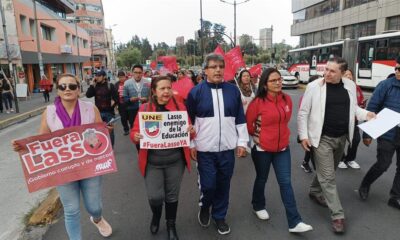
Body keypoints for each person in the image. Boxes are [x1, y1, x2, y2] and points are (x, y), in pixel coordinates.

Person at [13, 73, 112, 240]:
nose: (67, 89)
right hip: (64, 169)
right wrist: (22, 146)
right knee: (71, 210)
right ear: (57, 90)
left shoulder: (90, 108)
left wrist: (104, 132)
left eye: (72, 86)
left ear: (78, 89)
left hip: (89, 165)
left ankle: (97, 218)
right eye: (63, 86)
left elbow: (98, 139)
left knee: (94, 206)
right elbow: (41, 141)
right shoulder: (49, 112)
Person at [297, 58, 375, 233]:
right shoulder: (314, 86)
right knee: (329, 177)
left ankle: (315, 190)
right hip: (321, 138)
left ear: (342, 73)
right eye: (326, 69)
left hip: (341, 138)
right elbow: (303, 112)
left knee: (327, 172)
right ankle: (337, 215)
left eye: (332, 71)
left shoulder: (349, 86)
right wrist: (303, 136)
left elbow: (353, 109)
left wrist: (367, 114)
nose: (327, 74)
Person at [186, 53, 249, 235]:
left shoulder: (232, 91)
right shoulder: (195, 92)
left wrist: (242, 142)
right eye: (213, 67)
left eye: (221, 66)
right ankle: (205, 206)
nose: (218, 70)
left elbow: (240, 118)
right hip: (205, 150)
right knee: (208, 185)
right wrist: (192, 144)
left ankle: (220, 216)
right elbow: (188, 122)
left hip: (228, 149)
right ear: (205, 70)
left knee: (223, 184)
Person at [246, 68, 313, 233]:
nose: (278, 83)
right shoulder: (257, 103)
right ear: (265, 85)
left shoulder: (287, 99)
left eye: (279, 80)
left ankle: (294, 222)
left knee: (285, 183)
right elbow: (249, 124)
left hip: (282, 148)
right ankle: (258, 205)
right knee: (262, 178)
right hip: (262, 149)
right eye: (273, 81)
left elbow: (285, 120)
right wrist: (260, 138)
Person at [131, 76, 194, 240]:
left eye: (168, 88)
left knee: (172, 196)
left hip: (175, 161)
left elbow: (190, 132)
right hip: (153, 163)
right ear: (154, 91)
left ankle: (171, 224)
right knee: (155, 196)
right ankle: (156, 215)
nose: (166, 92)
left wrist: (191, 130)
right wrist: (135, 136)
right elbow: (134, 132)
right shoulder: (145, 109)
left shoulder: (180, 107)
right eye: (162, 88)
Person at [358, 57, 400, 210]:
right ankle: (365, 184)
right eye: (396, 68)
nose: (397, 71)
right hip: (387, 132)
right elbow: (372, 108)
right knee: (383, 164)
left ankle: (395, 197)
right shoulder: (386, 85)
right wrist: (367, 134)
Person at [338, 69, 365, 169]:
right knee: (340, 141)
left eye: (350, 75)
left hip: (354, 119)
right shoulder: (339, 87)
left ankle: (350, 159)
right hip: (341, 120)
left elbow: (360, 100)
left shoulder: (356, 88)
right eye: (346, 75)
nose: (349, 77)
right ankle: (340, 159)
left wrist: (362, 105)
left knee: (356, 140)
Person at [86, 70, 118, 146]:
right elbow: (88, 95)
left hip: (109, 113)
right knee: (98, 132)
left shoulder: (110, 86)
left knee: (110, 132)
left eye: (99, 76)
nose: (97, 77)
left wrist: (112, 107)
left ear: (104, 77)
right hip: (98, 113)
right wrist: (91, 84)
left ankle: (111, 148)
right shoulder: (95, 86)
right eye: (96, 75)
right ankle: (102, 148)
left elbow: (116, 98)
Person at [299, 75, 321, 173]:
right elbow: (303, 114)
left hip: (319, 128)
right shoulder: (306, 97)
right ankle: (308, 164)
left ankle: (305, 162)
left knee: (312, 147)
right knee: (311, 147)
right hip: (310, 128)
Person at [123, 64, 150, 133]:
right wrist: (130, 99)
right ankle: (137, 143)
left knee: (147, 129)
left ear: (142, 73)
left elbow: (152, 96)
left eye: (139, 73)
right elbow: (124, 98)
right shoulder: (126, 83)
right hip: (132, 111)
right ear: (132, 73)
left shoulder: (148, 82)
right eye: (135, 72)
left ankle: (146, 142)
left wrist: (147, 99)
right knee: (135, 129)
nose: (138, 74)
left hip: (146, 110)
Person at [114, 70, 130, 135]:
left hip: (129, 103)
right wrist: (115, 105)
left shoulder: (129, 83)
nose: (121, 78)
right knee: (123, 118)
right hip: (121, 104)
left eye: (122, 77)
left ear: (125, 77)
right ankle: (126, 129)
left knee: (130, 117)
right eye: (120, 77)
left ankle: (133, 127)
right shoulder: (116, 84)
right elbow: (115, 95)